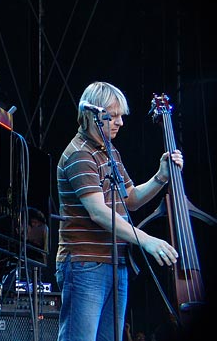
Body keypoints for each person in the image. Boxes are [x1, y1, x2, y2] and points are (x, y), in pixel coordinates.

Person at [54, 81, 183, 341]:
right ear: (92, 116)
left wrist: (161, 176)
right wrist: (145, 239)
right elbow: (99, 212)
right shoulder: (80, 154)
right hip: (85, 264)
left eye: (120, 116)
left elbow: (131, 199)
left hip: (114, 263)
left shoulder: (109, 152)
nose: (120, 122)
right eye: (112, 116)